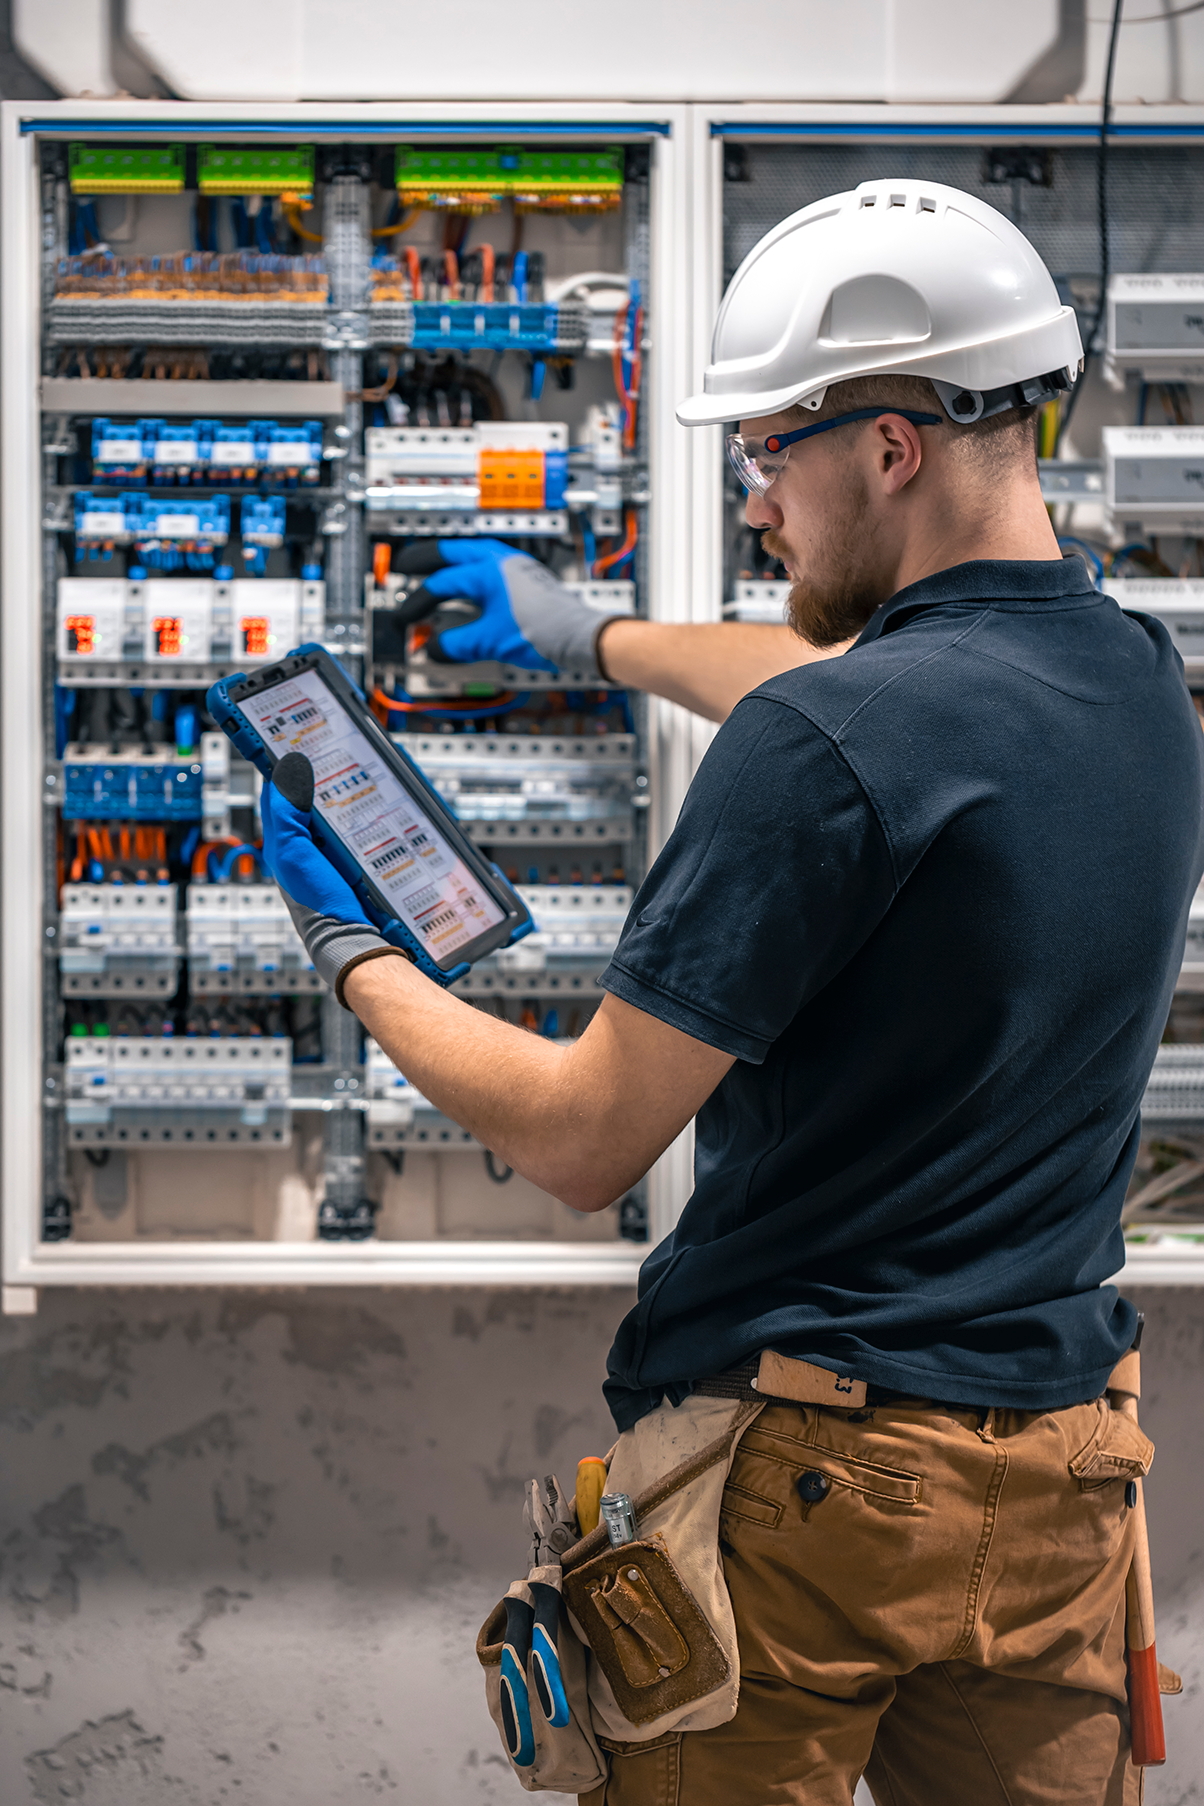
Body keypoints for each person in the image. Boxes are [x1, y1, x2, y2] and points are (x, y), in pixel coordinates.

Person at [260, 180, 1202, 1803]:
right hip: (1064, 1484)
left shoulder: (818, 751)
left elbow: (578, 1142)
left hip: (811, 1503)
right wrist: (597, 636)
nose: (758, 500)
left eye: (770, 453)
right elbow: (884, 708)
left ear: (889, 447)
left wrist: (358, 954)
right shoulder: (1137, 683)